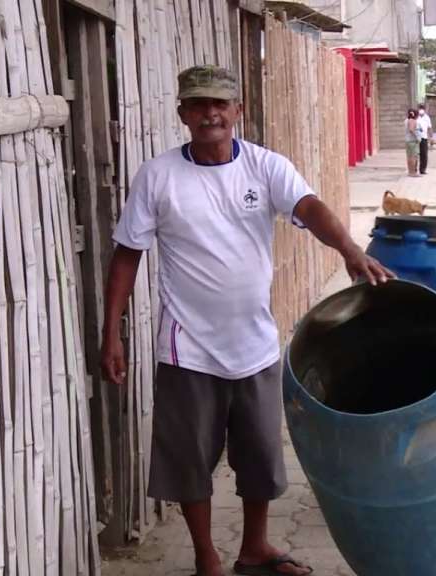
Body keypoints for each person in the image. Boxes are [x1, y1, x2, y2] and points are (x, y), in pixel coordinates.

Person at [100, 65, 393, 576]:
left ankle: (253, 548)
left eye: (219, 104)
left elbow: (310, 207)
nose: (209, 114)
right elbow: (127, 255)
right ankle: (206, 557)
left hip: (254, 345)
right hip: (186, 347)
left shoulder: (264, 167)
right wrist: (111, 333)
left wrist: (348, 248)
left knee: (258, 456)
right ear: (183, 114)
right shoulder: (159, 176)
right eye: (197, 105)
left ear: (238, 110)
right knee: (190, 462)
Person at [416, 104, 432, 174]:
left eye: (422, 108)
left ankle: (422, 170)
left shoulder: (427, 118)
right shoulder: (416, 117)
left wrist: (431, 137)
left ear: (425, 110)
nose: (421, 110)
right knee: (416, 154)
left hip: (424, 138)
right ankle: (414, 169)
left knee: (424, 155)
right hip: (416, 138)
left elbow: (429, 128)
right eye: (420, 108)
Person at [404, 108, 420, 177]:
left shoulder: (406, 120)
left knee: (409, 157)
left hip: (407, 141)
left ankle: (410, 171)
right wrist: (417, 137)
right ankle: (413, 172)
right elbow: (411, 129)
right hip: (413, 141)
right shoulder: (413, 121)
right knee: (414, 157)